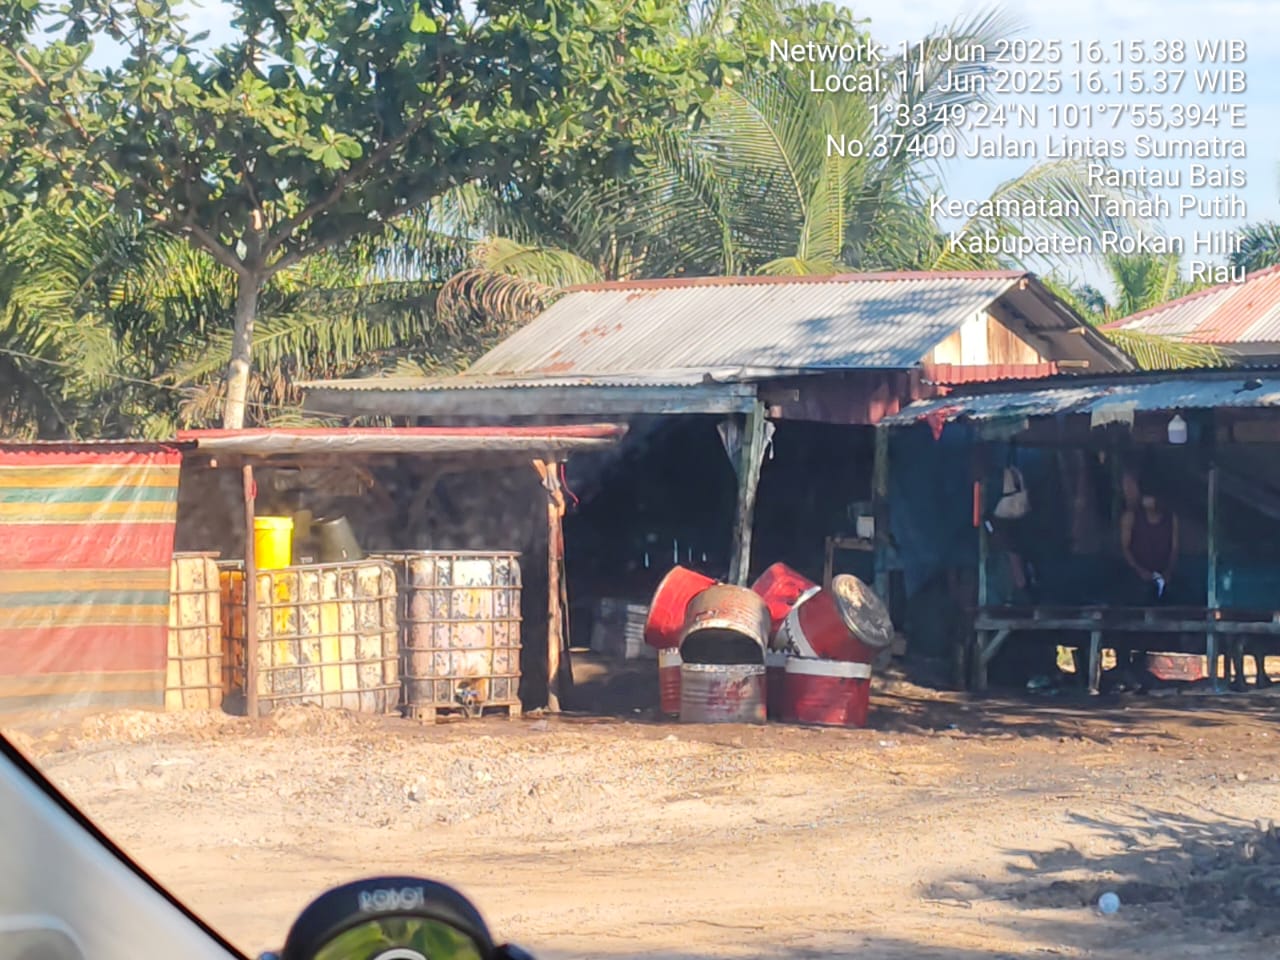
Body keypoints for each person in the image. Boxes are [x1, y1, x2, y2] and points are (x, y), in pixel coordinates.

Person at [1119, 487, 1179, 606]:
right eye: (1146, 497)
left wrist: (1168, 571)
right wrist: (1140, 571)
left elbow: (1174, 548)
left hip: (1164, 575)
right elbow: (1125, 549)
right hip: (1136, 576)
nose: (1147, 501)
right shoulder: (1131, 517)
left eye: (1151, 497)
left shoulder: (1171, 518)